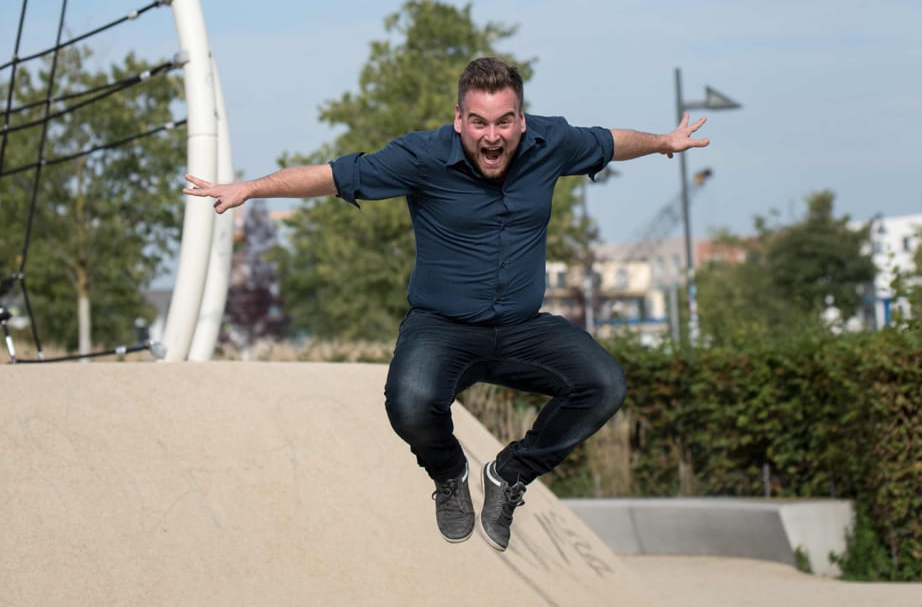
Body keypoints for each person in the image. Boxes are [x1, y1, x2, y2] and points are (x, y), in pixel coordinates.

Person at [184, 57, 709, 552]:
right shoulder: (421, 157)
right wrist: (250, 189)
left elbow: (611, 142)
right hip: (443, 328)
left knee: (604, 383)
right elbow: (334, 175)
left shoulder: (552, 142)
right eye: (479, 123)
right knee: (408, 400)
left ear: (521, 120)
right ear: (459, 119)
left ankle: (509, 476)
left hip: (523, 329)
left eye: (505, 122)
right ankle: (449, 476)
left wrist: (663, 141)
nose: (492, 137)